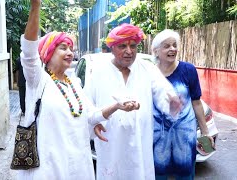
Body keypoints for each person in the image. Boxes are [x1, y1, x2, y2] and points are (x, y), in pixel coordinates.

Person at [17, 1, 137, 179]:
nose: (70, 52)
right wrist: (36, 7)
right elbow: (28, 51)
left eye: (71, 49)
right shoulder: (38, 79)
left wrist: (116, 106)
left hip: (78, 165)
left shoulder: (74, 83)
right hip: (49, 167)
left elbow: (91, 115)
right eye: (63, 48)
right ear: (48, 52)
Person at [83, 23, 182, 180]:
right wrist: (94, 123)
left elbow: (164, 92)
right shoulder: (98, 73)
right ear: (112, 48)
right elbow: (87, 107)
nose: (129, 51)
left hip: (140, 142)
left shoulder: (147, 69)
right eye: (122, 46)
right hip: (111, 142)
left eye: (133, 46)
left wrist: (172, 103)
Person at [151, 29, 214, 180]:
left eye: (174, 45)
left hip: (184, 135)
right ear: (156, 51)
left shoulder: (188, 70)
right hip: (157, 135)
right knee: (157, 173)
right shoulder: (150, 73)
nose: (172, 49)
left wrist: (205, 132)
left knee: (185, 173)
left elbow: (197, 103)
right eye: (166, 46)